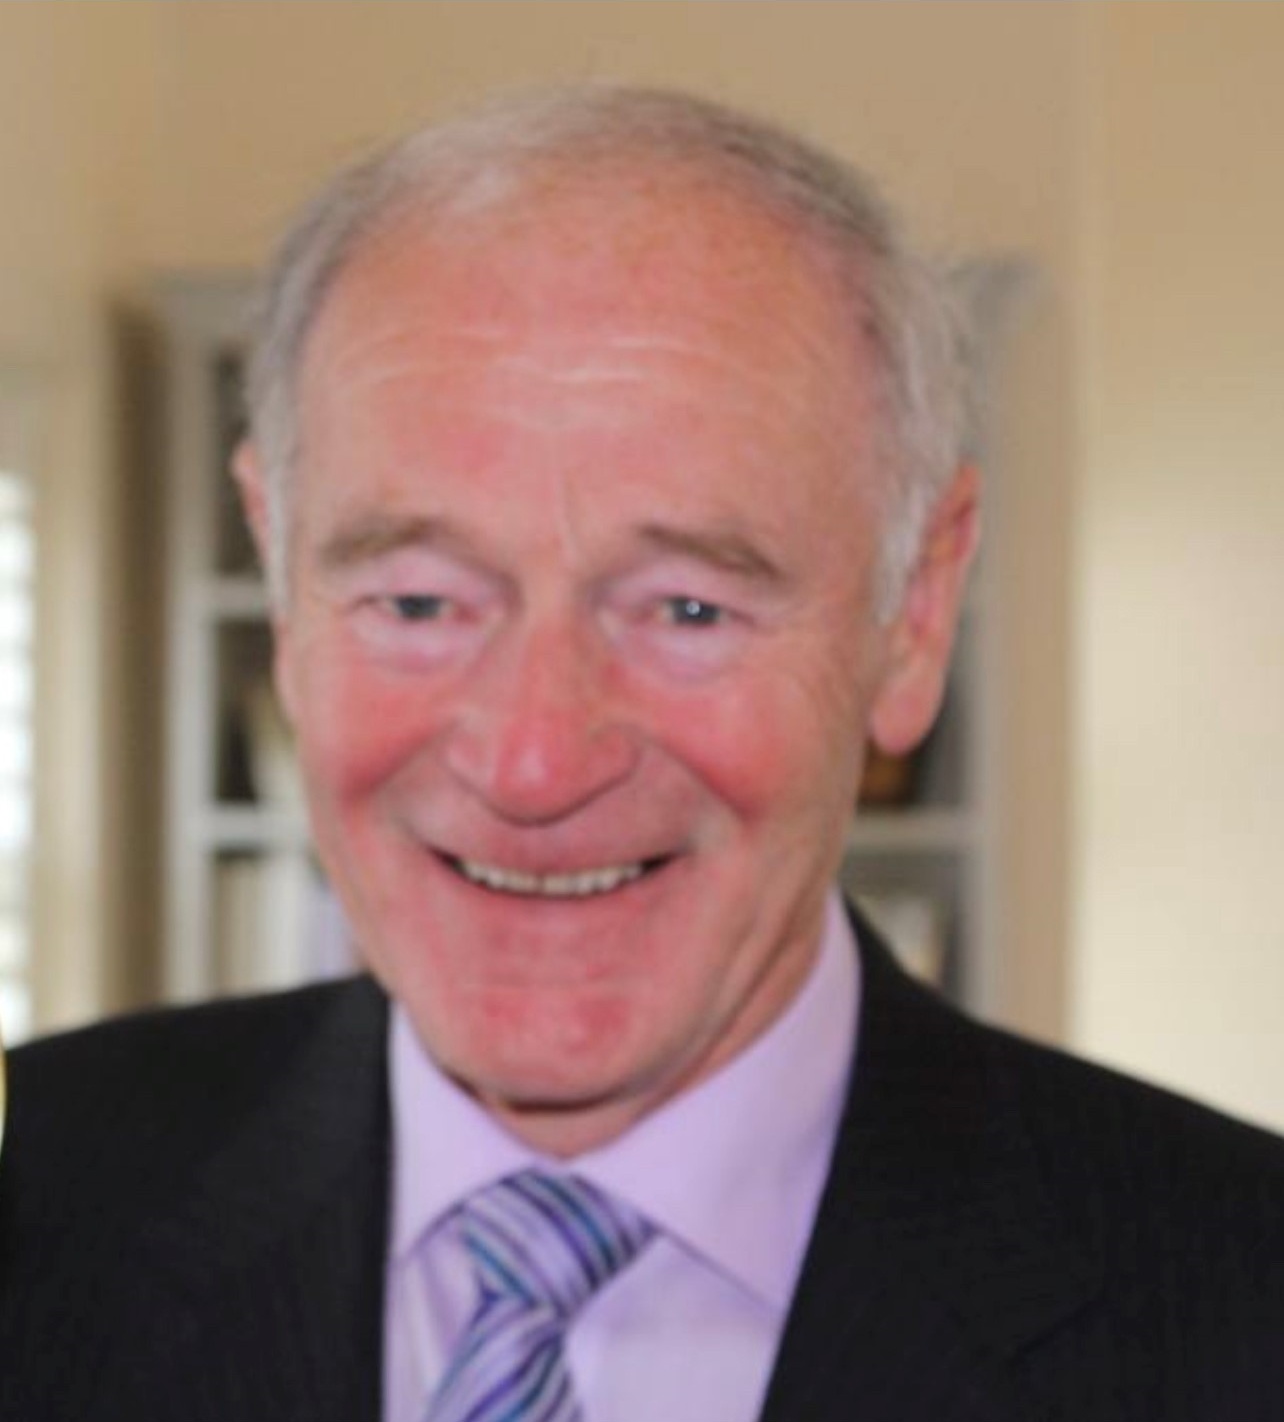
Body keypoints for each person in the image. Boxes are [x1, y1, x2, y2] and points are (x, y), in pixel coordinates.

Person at [1, 85, 1281, 1422]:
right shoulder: (36, 1203)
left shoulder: (1242, 1311)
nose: (534, 763)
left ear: (914, 613)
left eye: (688, 609)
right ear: (279, 576)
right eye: (420, 601)